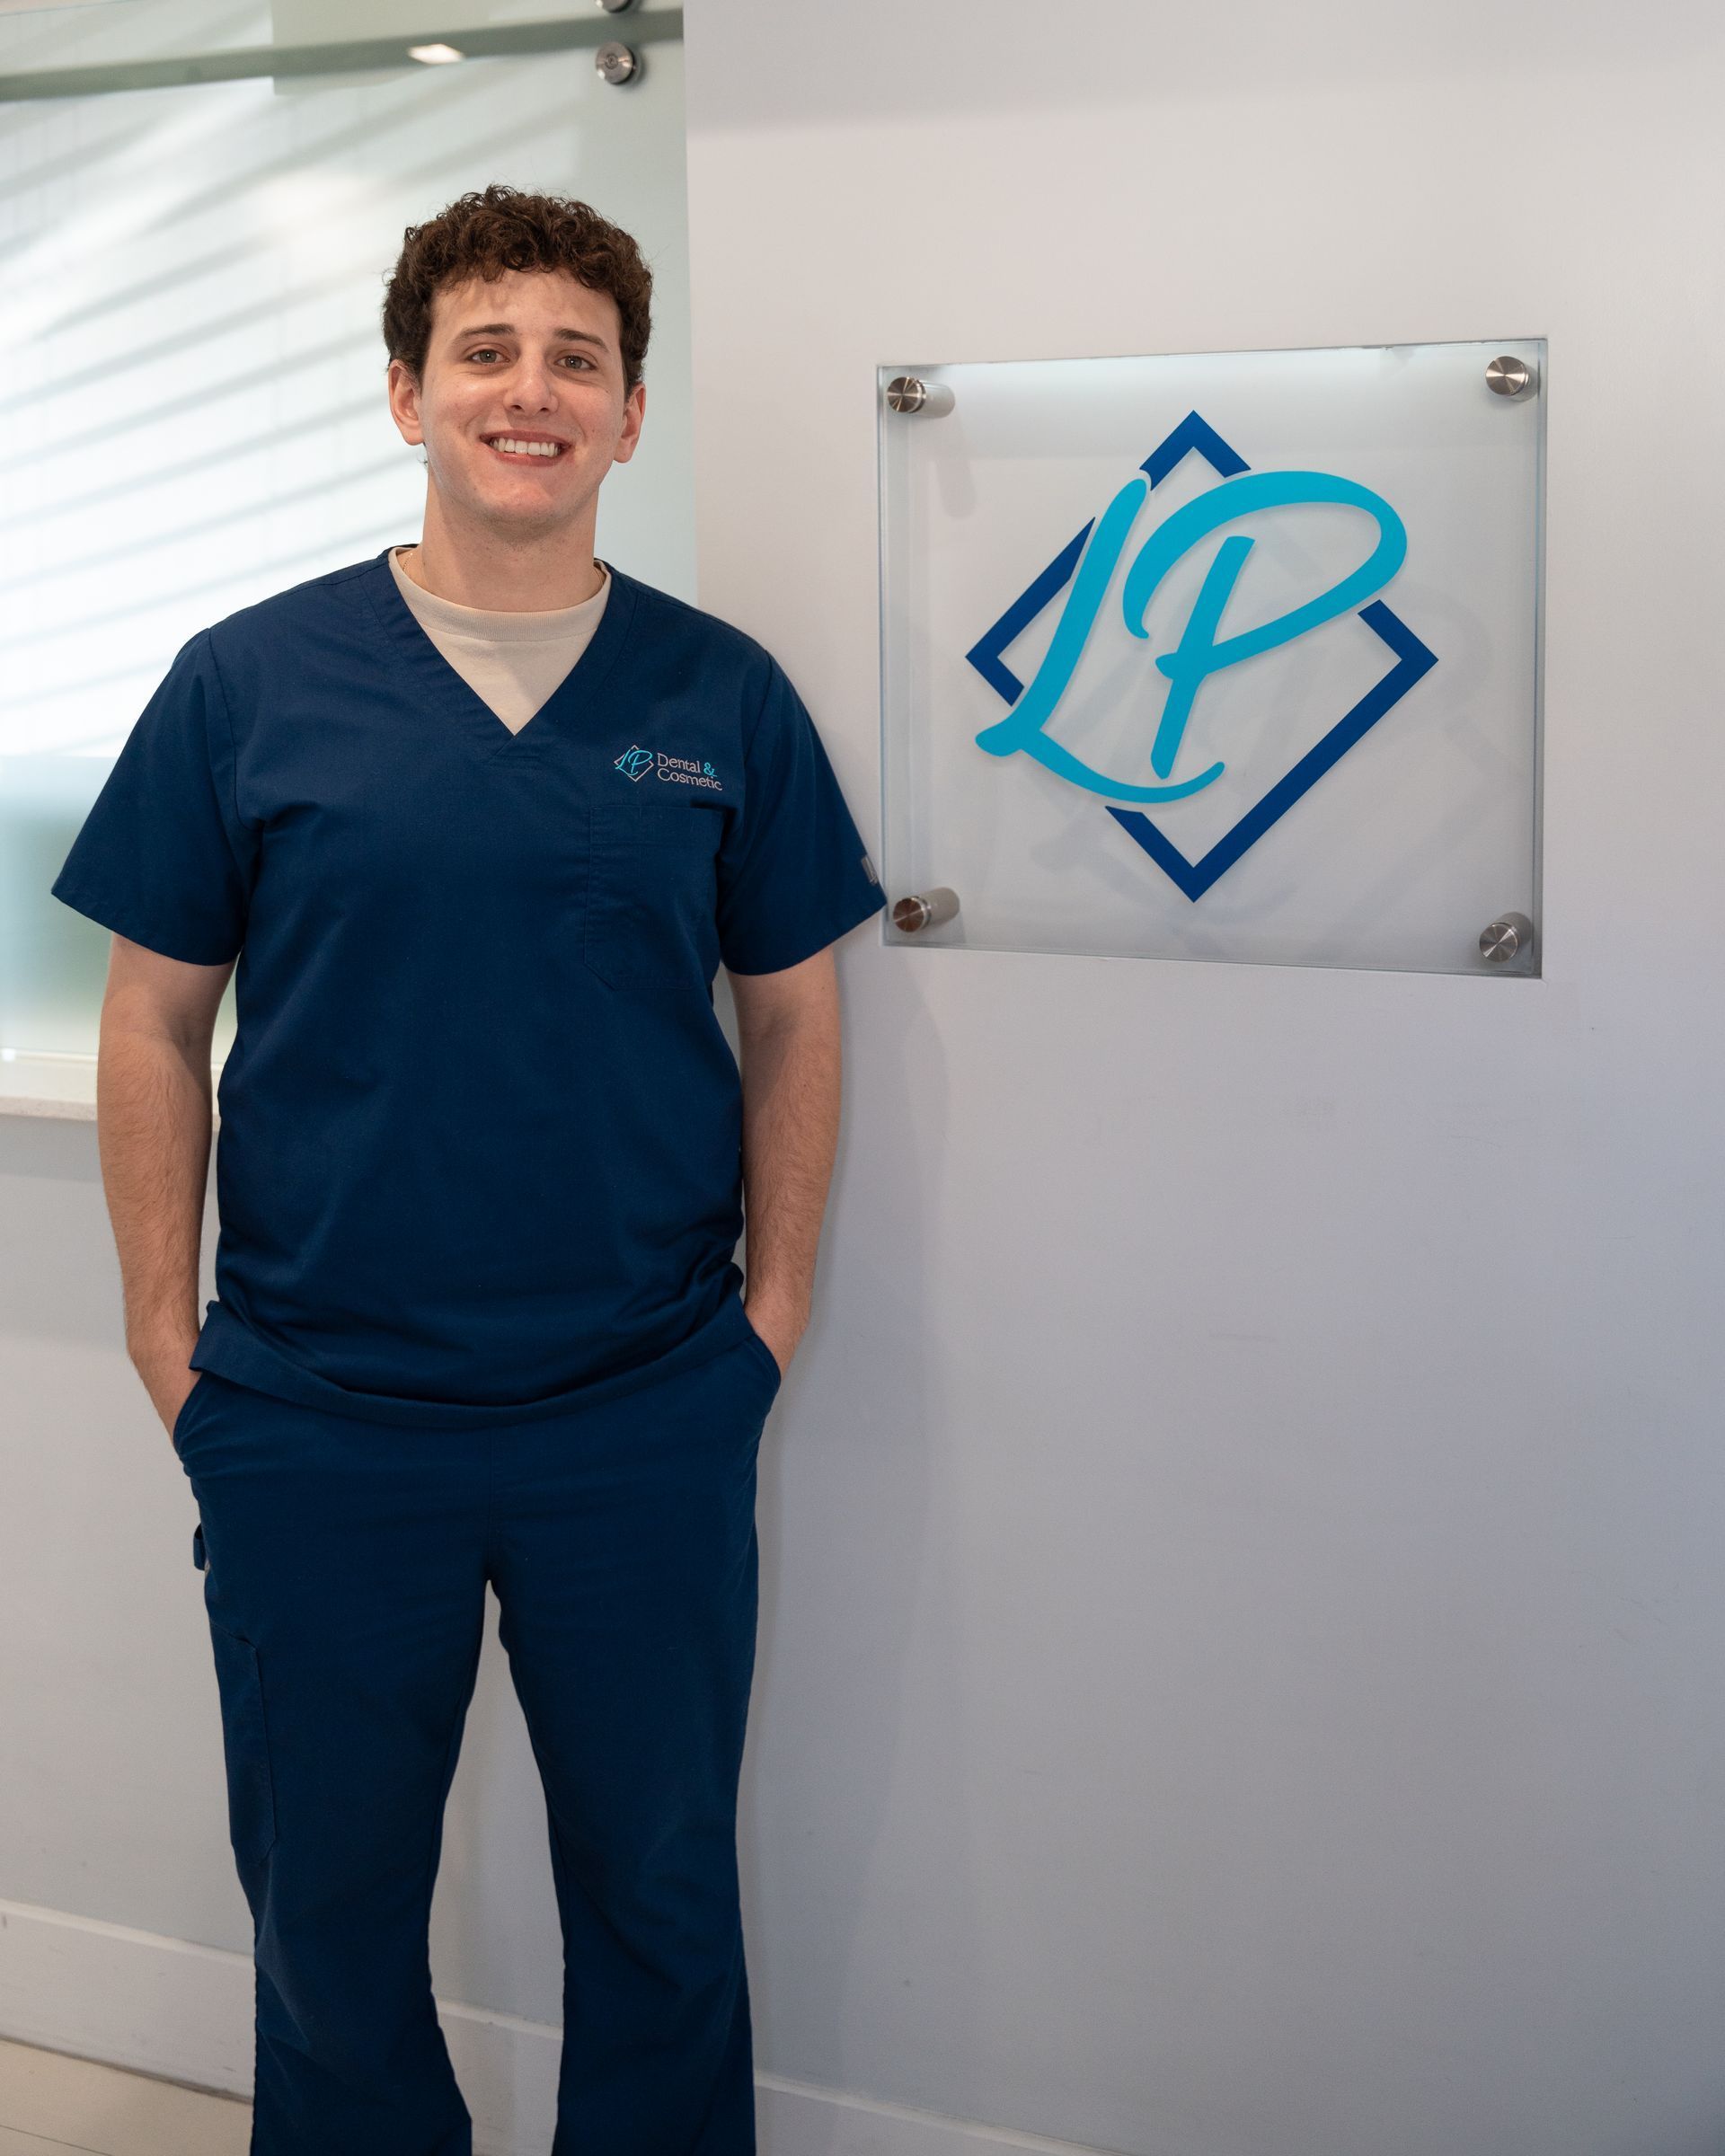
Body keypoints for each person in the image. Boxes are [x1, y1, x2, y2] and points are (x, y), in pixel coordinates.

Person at [49, 182, 885, 2155]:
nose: (534, 389)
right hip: (321, 1417)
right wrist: (176, 1352)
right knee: (330, 1927)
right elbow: (155, 1020)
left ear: (631, 411)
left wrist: (763, 1328)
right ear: (407, 393)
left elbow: (794, 1016)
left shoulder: (717, 700)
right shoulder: (248, 685)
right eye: (488, 352)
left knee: (664, 1900)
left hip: (643, 1410)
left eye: (576, 357)